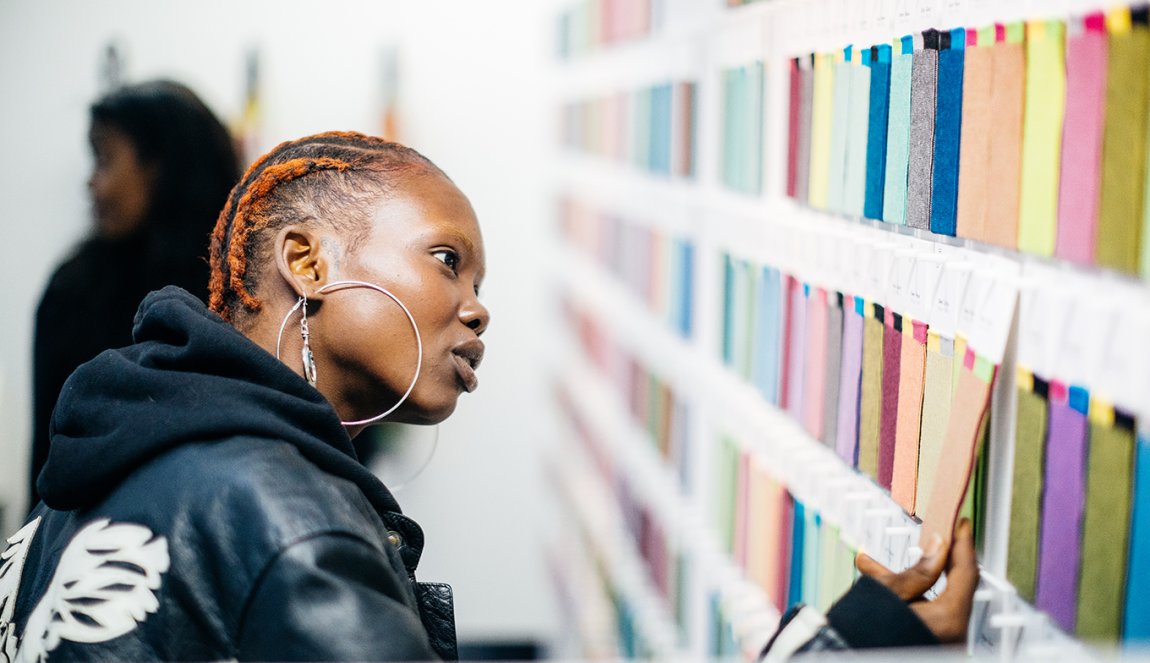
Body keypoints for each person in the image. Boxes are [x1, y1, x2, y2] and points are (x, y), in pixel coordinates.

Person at [0, 129, 973, 662]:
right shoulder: (284, 516)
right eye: (447, 262)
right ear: (306, 261)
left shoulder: (125, 453)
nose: (476, 311)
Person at [28, 79, 240, 510]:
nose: (92, 183)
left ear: (161, 167)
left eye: (104, 159)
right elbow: (46, 455)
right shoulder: (74, 290)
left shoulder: (241, 290)